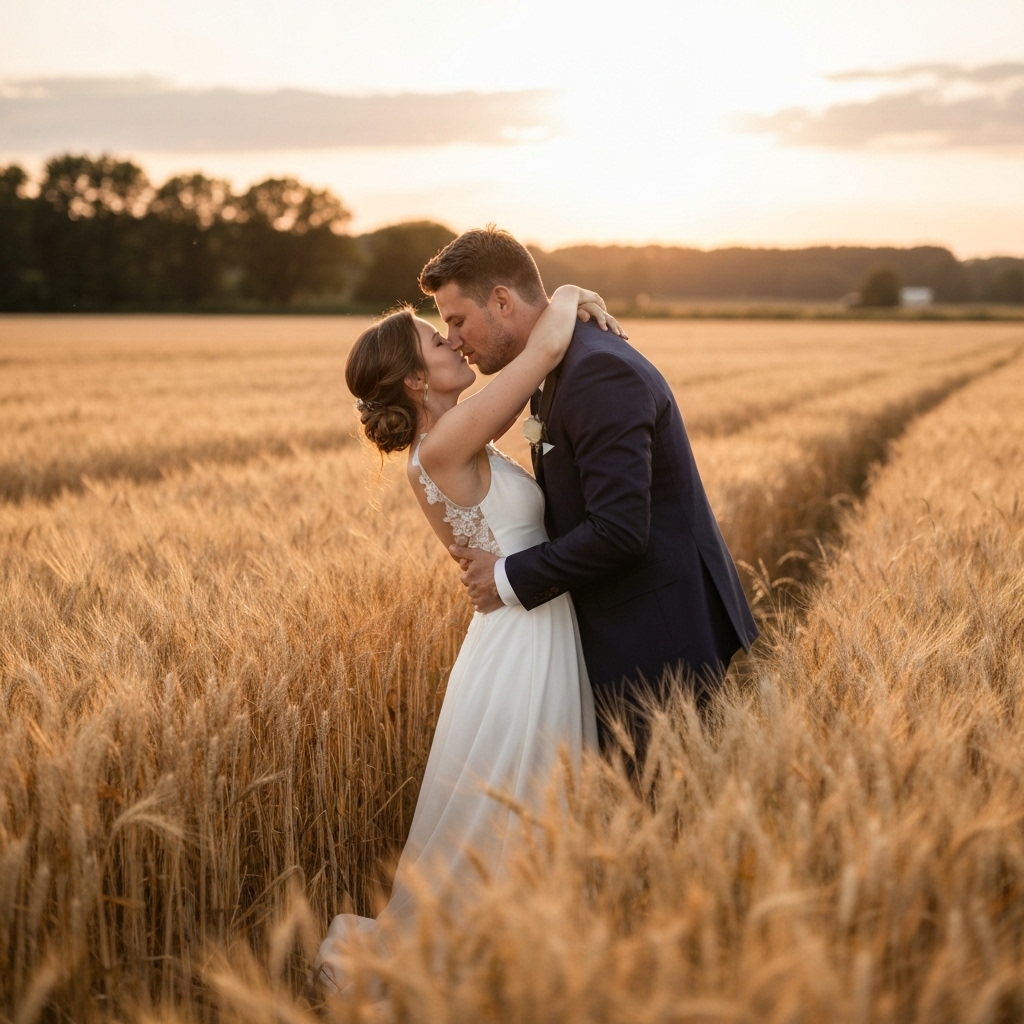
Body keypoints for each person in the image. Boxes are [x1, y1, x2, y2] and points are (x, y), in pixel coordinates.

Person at [314, 284, 622, 991]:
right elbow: (543, 349)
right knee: (519, 802)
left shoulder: (455, 434)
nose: (453, 341)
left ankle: (525, 958)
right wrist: (572, 294)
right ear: (417, 379)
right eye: (434, 339)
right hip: (522, 648)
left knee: (527, 802)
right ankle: (498, 965)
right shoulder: (447, 439)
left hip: (527, 628)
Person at [420, 227, 759, 764]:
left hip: (657, 638)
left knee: (664, 819)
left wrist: (504, 577)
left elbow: (620, 531)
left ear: (502, 301)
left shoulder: (596, 371)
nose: (454, 338)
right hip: (624, 628)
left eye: (457, 320)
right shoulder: (561, 361)